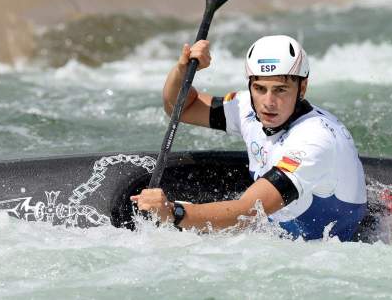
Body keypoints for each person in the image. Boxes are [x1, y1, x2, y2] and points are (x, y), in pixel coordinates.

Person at [132, 35, 367, 241]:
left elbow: (248, 212)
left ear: (302, 88)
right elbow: (180, 108)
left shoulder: (315, 140)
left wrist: (173, 213)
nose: (268, 102)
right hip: (278, 231)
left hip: (327, 248)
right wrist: (183, 70)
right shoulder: (247, 107)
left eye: (281, 89)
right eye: (260, 88)